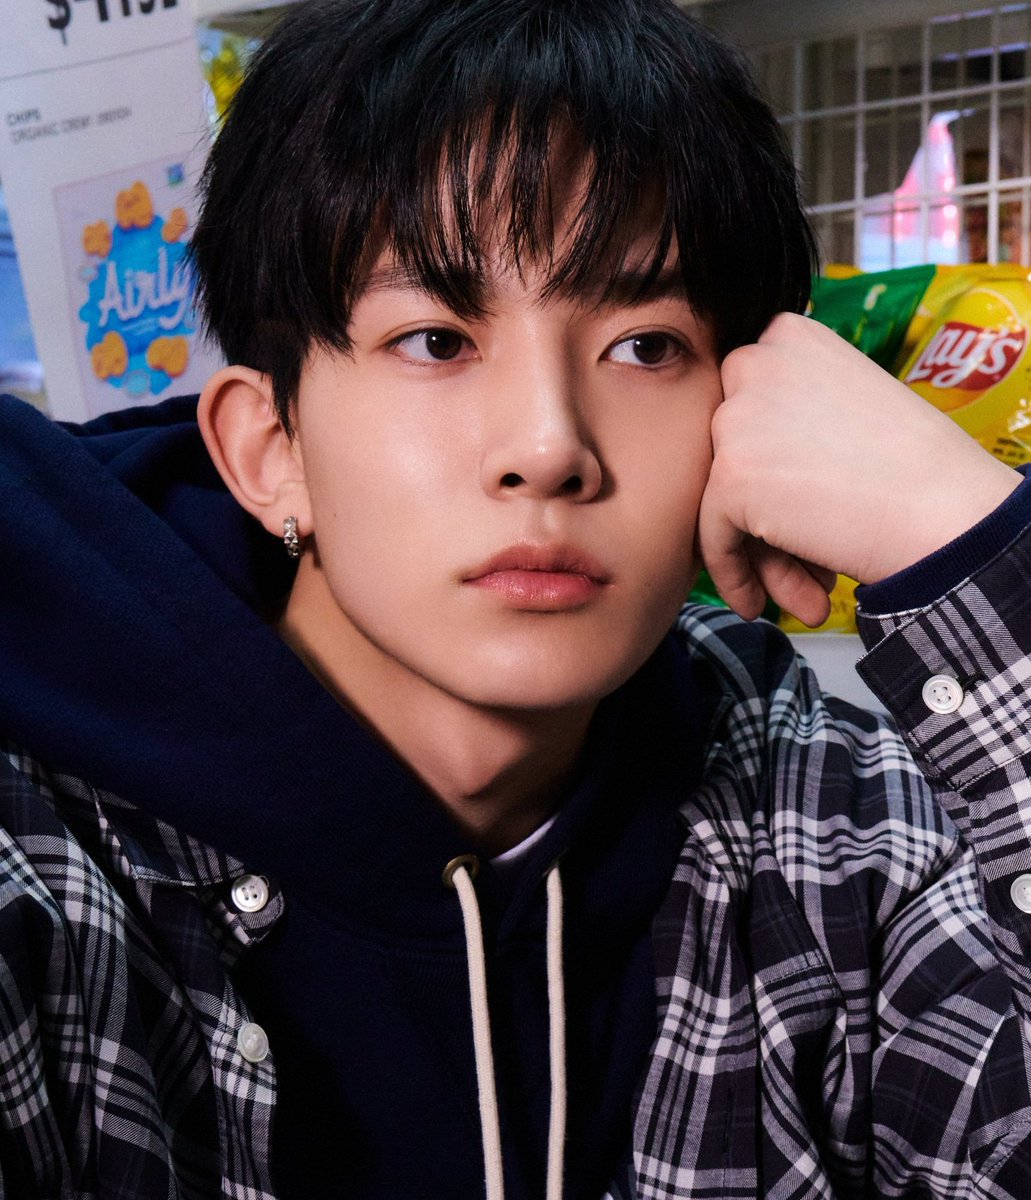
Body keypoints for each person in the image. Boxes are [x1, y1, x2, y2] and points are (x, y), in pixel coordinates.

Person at [1, 0, 1030, 1197]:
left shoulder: (828, 832)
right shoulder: (47, 857)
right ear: (270, 449)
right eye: (435, 341)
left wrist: (962, 539)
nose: (548, 447)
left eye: (645, 347)